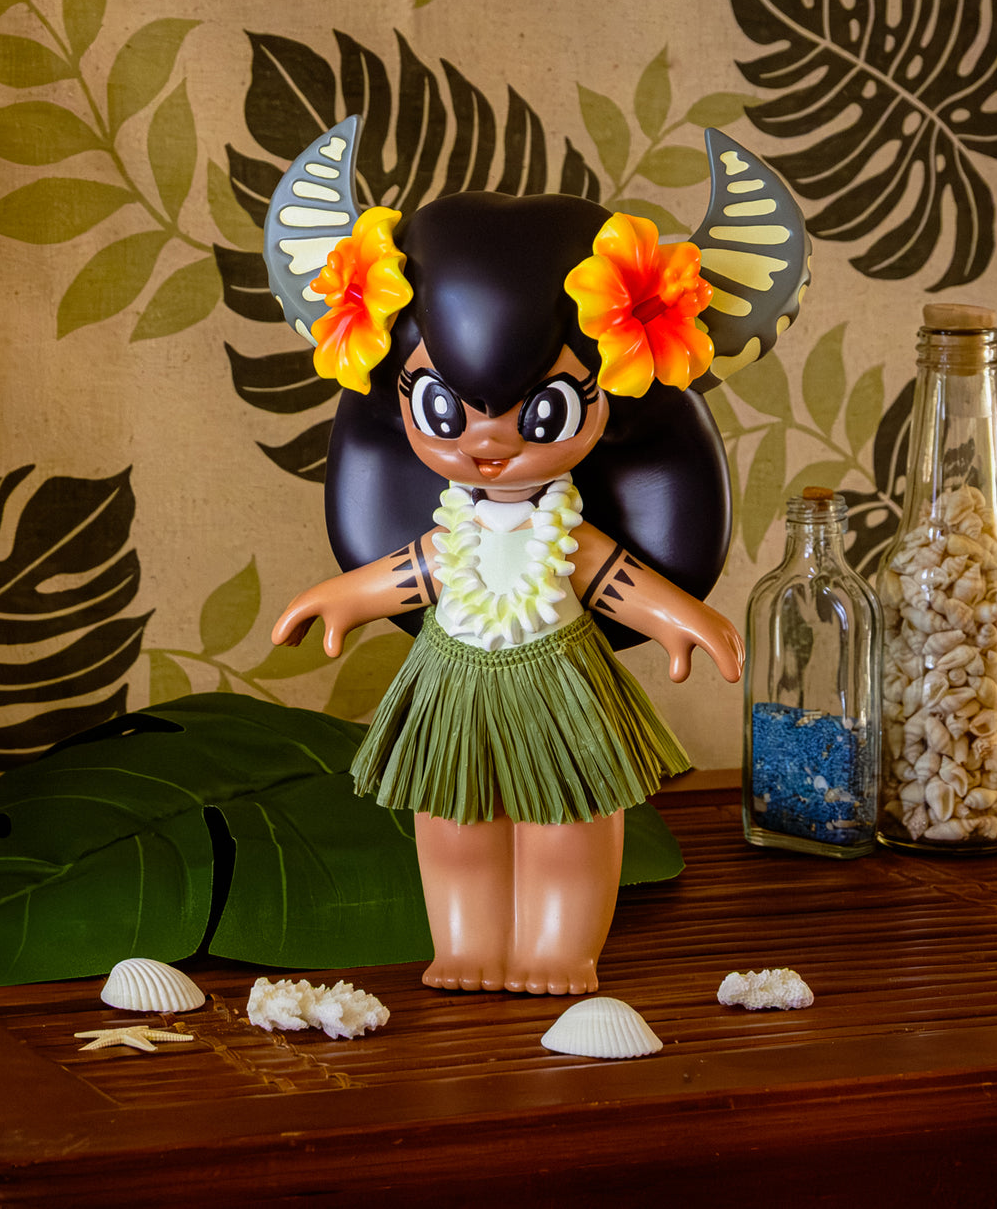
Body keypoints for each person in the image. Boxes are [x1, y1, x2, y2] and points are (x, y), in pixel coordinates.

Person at [272, 188, 744, 995]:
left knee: (567, 819)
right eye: (441, 406)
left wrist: (680, 616)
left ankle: (561, 947)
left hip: (558, 681)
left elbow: (609, 576)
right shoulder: (451, 527)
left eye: (546, 411)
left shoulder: (565, 529)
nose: (488, 442)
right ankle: (466, 941)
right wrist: (344, 597)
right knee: (453, 818)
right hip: (453, 679)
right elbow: (415, 570)